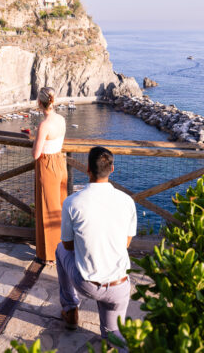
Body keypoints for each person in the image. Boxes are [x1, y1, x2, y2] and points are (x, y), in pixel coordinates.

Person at [56, 146, 137, 342]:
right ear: (112, 169)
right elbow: (126, 243)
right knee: (114, 338)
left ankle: (70, 309)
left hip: (88, 285)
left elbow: (67, 246)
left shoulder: (72, 202)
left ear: (88, 170)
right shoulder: (127, 201)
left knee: (59, 249)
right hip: (119, 286)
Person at [32, 86, 68, 262]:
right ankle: (63, 247)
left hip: (47, 165)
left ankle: (49, 255)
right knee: (59, 208)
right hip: (61, 163)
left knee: (47, 209)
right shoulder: (61, 119)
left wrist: (34, 139)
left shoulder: (44, 125)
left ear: (40, 103)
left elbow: (36, 154)